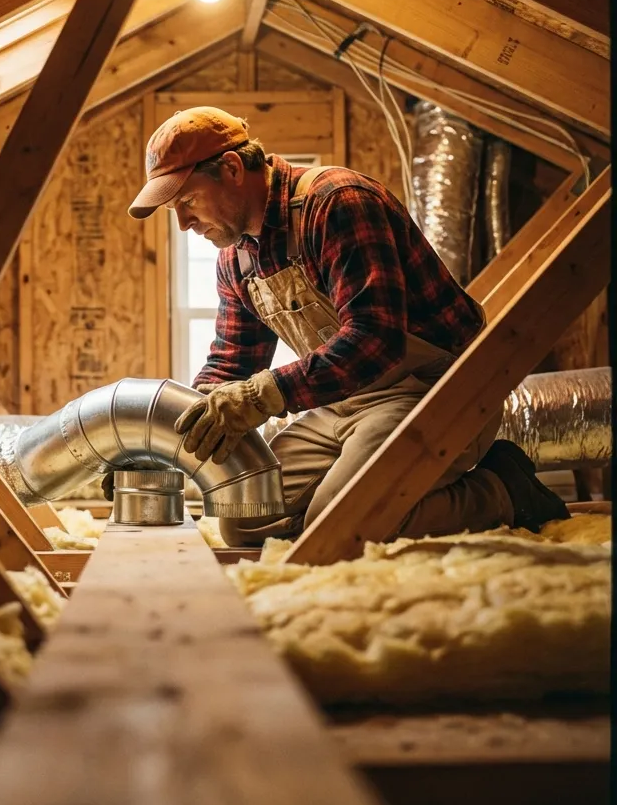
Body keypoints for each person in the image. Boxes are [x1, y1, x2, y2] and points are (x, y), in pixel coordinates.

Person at [124, 105, 569, 546]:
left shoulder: (337, 202)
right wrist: (163, 445)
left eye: (187, 201)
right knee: (247, 519)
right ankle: (376, 506)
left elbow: (374, 339)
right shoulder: (236, 258)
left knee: (339, 523)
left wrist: (262, 396)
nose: (183, 224)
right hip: (343, 402)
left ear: (233, 169)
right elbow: (230, 362)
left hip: (432, 392)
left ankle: (503, 490)